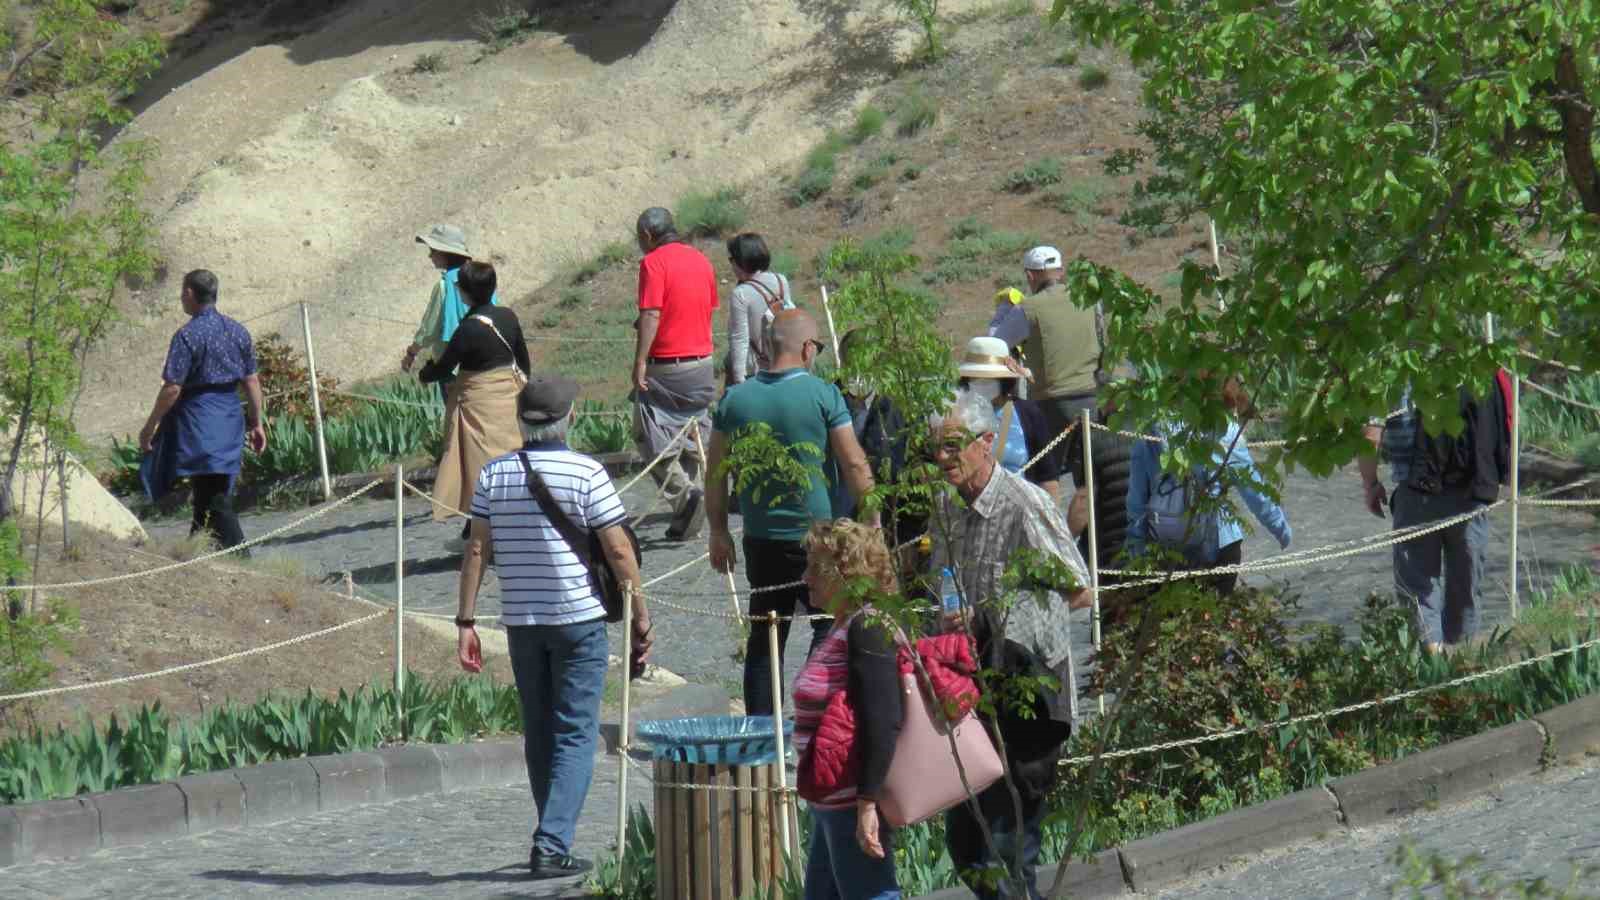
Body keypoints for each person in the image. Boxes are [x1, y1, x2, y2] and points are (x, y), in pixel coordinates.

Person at [454, 372, 652, 879]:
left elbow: (477, 548)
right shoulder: (587, 473)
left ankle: (553, 833)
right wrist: (639, 612)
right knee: (576, 731)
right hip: (578, 618)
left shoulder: (494, 475)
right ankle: (551, 841)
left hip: (521, 621)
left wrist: (466, 620)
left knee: (539, 731)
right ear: (570, 419)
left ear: (520, 420)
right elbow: (619, 549)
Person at [927, 389, 1091, 900]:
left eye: (953, 447)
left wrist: (994, 611)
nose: (942, 459)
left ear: (985, 444)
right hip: (968, 692)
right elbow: (939, 585)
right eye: (937, 447)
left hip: (1027, 690)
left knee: (1008, 848)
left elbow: (1080, 589)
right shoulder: (944, 506)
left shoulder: (1025, 505)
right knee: (965, 848)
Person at [706, 310, 877, 716]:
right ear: (806, 347)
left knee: (765, 637)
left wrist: (718, 530)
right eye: (816, 347)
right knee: (828, 624)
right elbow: (853, 462)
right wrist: (873, 519)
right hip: (816, 535)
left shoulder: (735, 399)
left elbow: (714, 472)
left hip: (761, 539)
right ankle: (813, 704)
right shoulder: (823, 394)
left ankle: (764, 736)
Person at [792, 519, 904, 900]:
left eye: (814, 567)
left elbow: (882, 718)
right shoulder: (844, 624)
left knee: (872, 894)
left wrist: (867, 804)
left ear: (844, 571)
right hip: (831, 798)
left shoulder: (868, 626)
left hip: (849, 797)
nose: (805, 577)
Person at [1358, 378, 1510, 652]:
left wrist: (1370, 484)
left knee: (1418, 585)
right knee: (1466, 584)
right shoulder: (1474, 366)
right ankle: (1463, 657)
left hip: (1415, 491)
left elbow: (1371, 434)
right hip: (1471, 490)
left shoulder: (1391, 372)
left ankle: (1432, 660)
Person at [1124, 376, 1291, 595]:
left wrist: (1136, 544)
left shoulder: (1149, 432)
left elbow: (1137, 498)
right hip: (1219, 546)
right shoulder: (1225, 432)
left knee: (1173, 622)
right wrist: (1281, 529)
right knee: (1213, 621)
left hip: (1165, 547)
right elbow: (1254, 491)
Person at [139, 269, 267, 553]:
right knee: (207, 490)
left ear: (189, 293)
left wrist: (149, 428)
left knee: (214, 495)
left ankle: (240, 556)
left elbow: (172, 388)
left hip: (199, 422)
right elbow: (251, 381)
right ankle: (195, 550)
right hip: (230, 418)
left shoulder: (187, 335)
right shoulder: (237, 331)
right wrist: (256, 422)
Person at [419, 262, 528, 534]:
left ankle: (479, 532)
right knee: (514, 460)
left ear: (464, 293)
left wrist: (425, 372)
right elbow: (524, 362)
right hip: (509, 399)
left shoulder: (468, 329)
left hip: (478, 405)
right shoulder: (508, 317)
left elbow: (443, 368)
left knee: (481, 467)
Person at [632, 207, 719, 541]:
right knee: (692, 434)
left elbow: (652, 313)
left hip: (666, 364)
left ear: (648, 235)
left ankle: (686, 498)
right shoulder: (701, 260)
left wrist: (640, 360)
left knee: (648, 436)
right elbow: (706, 307)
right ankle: (690, 512)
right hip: (702, 362)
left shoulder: (653, 263)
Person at [957, 336, 1063, 500]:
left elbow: (1047, 477)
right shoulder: (955, 414)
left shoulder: (1029, 414)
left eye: (988, 379)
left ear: (1003, 380)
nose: (981, 384)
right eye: (975, 378)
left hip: (1020, 510)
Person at [402, 224, 496, 404]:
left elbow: (429, 330)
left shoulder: (444, 286)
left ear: (445, 253)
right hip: (487, 365)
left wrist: (411, 353)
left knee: (458, 423)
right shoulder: (481, 280)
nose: (430, 255)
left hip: (454, 369)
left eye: (433, 250)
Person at [724, 232, 796, 386]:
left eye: (731, 259)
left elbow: (740, 339)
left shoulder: (741, 293)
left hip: (756, 372)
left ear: (740, 261)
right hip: (783, 365)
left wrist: (738, 380)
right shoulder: (781, 280)